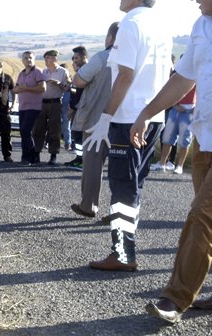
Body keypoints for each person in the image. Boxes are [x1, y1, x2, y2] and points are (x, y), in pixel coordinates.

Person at [133, 0, 212, 323]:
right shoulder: (200, 27)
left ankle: (174, 299)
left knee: (201, 214)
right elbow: (183, 79)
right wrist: (146, 113)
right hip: (204, 139)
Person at [83, 0, 173, 271]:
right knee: (135, 184)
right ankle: (125, 249)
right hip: (152, 115)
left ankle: (123, 254)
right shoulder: (161, 25)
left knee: (122, 187)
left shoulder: (131, 23)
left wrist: (106, 116)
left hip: (127, 117)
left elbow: (125, 76)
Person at [69, 22, 119, 219]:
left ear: (109, 38)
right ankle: (119, 213)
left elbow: (78, 80)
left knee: (92, 165)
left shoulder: (102, 57)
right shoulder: (133, 59)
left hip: (96, 119)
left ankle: (89, 205)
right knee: (120, 169)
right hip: (122, 121)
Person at [33, 50, 71, 165]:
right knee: (38, 129)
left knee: (55, 129)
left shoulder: (63, 72)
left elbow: (68, 88)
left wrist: (58, 83)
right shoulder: (43, 72)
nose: (45, 60)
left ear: (55, 59)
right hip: (42, 103)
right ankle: (36, 153)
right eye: (45, 58)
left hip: (55, 103)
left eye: (48, 58)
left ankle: (53, 155)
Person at [148, 82, 196, 174]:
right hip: (175, 109)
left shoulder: (197, 75)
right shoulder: (178, 74)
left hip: (190, 110)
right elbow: (171, 91)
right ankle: (162, 163)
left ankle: (180, 166)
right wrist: (175, 105)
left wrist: (195, 109)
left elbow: (202, 93)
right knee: (167, 137)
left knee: (184, 140)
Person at [14, 51, 46, 166]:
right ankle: (34, 156)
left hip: (34, 107)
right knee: (24, 132)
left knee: (25, 130)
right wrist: (19, 89)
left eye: (30, 58)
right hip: (22, 107)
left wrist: (27, 88)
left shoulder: (37, 71)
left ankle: (26, 157)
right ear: (22, 60)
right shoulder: (21, 73)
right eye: (26, 58)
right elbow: (15, 89)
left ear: (34, 59)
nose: (28, 60)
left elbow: (42, 88)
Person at [64, 47, 90, 170]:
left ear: (84, 57)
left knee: (79, 134)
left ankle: (83, 161)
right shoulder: (81, 71)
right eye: (73, 58)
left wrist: (72, 108)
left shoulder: (87, 71)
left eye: (77, 58)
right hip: (78, 107)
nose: (75, 60)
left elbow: (80, 93)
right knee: (76, 134)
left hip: (83, 108)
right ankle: (79, 158)